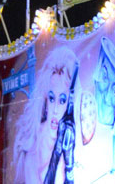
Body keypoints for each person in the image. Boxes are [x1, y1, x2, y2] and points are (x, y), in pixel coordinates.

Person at [12, 45, 78, 184]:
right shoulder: (33, 143)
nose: (55, 110)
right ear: (45, 98)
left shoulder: (70, 142)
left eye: (62, 100)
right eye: (52, 98)